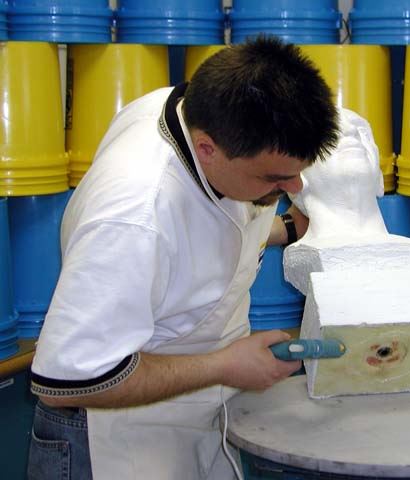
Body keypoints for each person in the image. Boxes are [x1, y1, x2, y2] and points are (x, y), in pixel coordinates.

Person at [27, 36, 339, 480]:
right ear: (207, 147)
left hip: (195, 414)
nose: (295, 189)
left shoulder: (196, 108)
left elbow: (201, 229)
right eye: (275, 178)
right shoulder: (133, 217)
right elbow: (67, 382)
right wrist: (225, 365)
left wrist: (285, 229)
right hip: (117, 438)